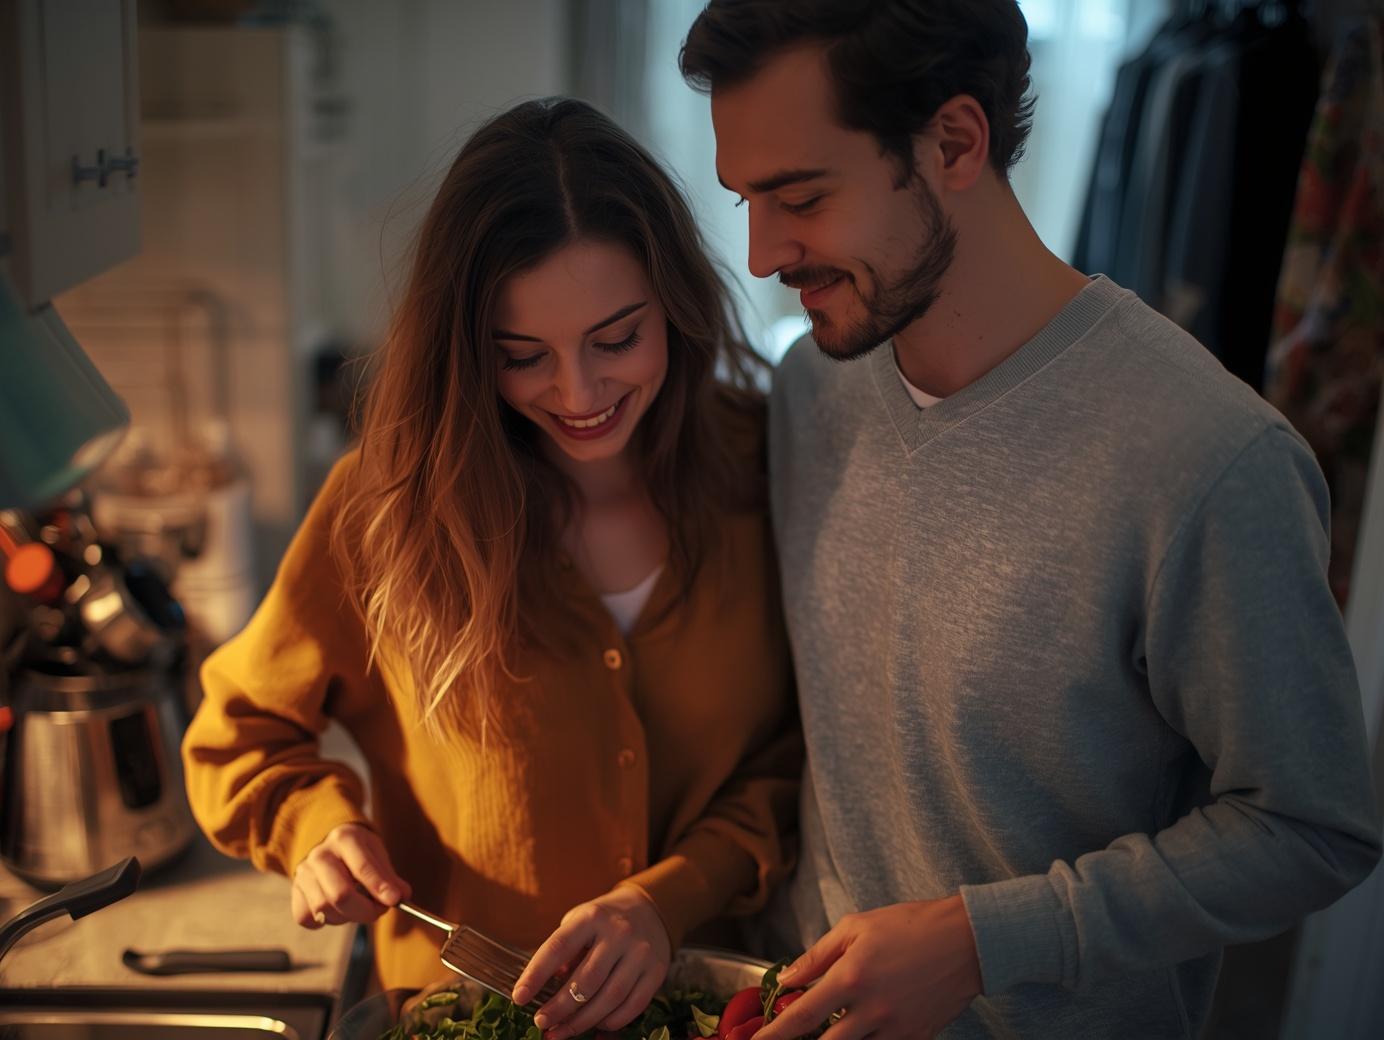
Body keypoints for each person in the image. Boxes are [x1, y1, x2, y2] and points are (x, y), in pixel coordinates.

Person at [679, 2, 1383, 1037]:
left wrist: (981, 941)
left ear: (955, 142)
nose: (760, 252)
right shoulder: (811, 390)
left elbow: (1311, 827)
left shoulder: (1207, 457)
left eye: (801, 197)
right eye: (745, 199)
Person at [181, 97, 800, 1040]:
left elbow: (791, 764)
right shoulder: (387, 506)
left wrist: (666, 900)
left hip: (712, 1011)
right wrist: (318, 830)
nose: (580, 393)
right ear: (469, 353)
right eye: (522, 357)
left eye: (617, 339)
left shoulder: (767, 465)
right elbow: (239, 737)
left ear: (674, 305)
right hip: (459, 1019)